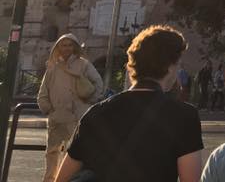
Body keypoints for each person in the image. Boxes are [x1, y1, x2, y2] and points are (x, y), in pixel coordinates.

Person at [54, 24, 203, 182]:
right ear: (169, 67)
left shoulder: (95, 113)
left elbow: (62, 179)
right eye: (178, 64)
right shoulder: (184, 116)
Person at [37, 34, 104, 182]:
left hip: (77, 117)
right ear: (58, 48)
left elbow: (98, 84)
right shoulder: (52, 66)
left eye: (69, 45)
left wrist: (88, 103)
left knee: (74, 154)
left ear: (74, 47)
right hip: (57, 116)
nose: (66, 48)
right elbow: (43, 91)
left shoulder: (84, 65)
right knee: (52, 152)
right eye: (63, 45)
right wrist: (48, 109)